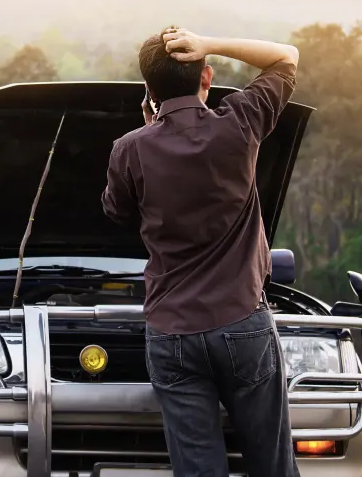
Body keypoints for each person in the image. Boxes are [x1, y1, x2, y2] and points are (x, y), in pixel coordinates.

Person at [101, 27, 301, 477]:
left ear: (148, 92)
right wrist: (210, 42)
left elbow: (116, 211)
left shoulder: (128, 149)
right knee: (272, 466)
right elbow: (286, 57)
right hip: (243, 325)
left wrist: (152, 134)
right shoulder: (241, 122)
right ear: (206, 76)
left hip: (172, 334)